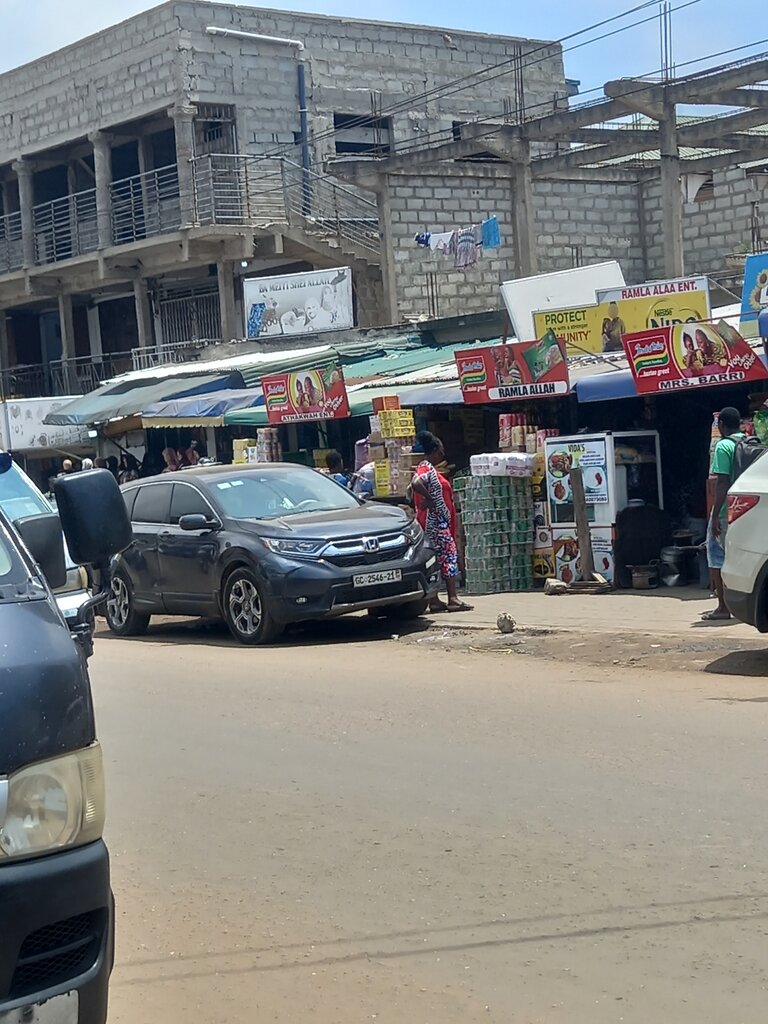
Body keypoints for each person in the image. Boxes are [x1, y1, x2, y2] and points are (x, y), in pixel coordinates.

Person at [409, 431, 472, 613]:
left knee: (435, 560)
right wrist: (431, 500)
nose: (443, 455)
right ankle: (453, 598)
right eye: (441, 451)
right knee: (450, 554)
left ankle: (435, 600)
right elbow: (416, 483)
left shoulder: (430, 470)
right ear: (435, 451)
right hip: (435, 523)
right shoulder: (426, 468)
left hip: (434, 522)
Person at [702, 406, 744, 622]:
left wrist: (716, 515)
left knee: (716, 557)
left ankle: (722, 607)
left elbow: (722, 483)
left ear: (721, 425)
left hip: (726, 511)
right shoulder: (750, 442)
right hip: (746, 508)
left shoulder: (723, 446)